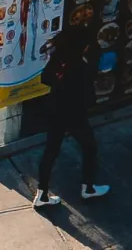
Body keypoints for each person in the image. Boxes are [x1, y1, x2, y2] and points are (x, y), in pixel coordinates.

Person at [32, 24, 111, 207]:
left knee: (50, 151)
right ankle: (88, 188)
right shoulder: (80, 66)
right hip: (74, 114)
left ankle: (42, 194)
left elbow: (46, 78)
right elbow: (88, 94)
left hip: (55, 110)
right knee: (89, 147)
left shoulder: (60, 58)